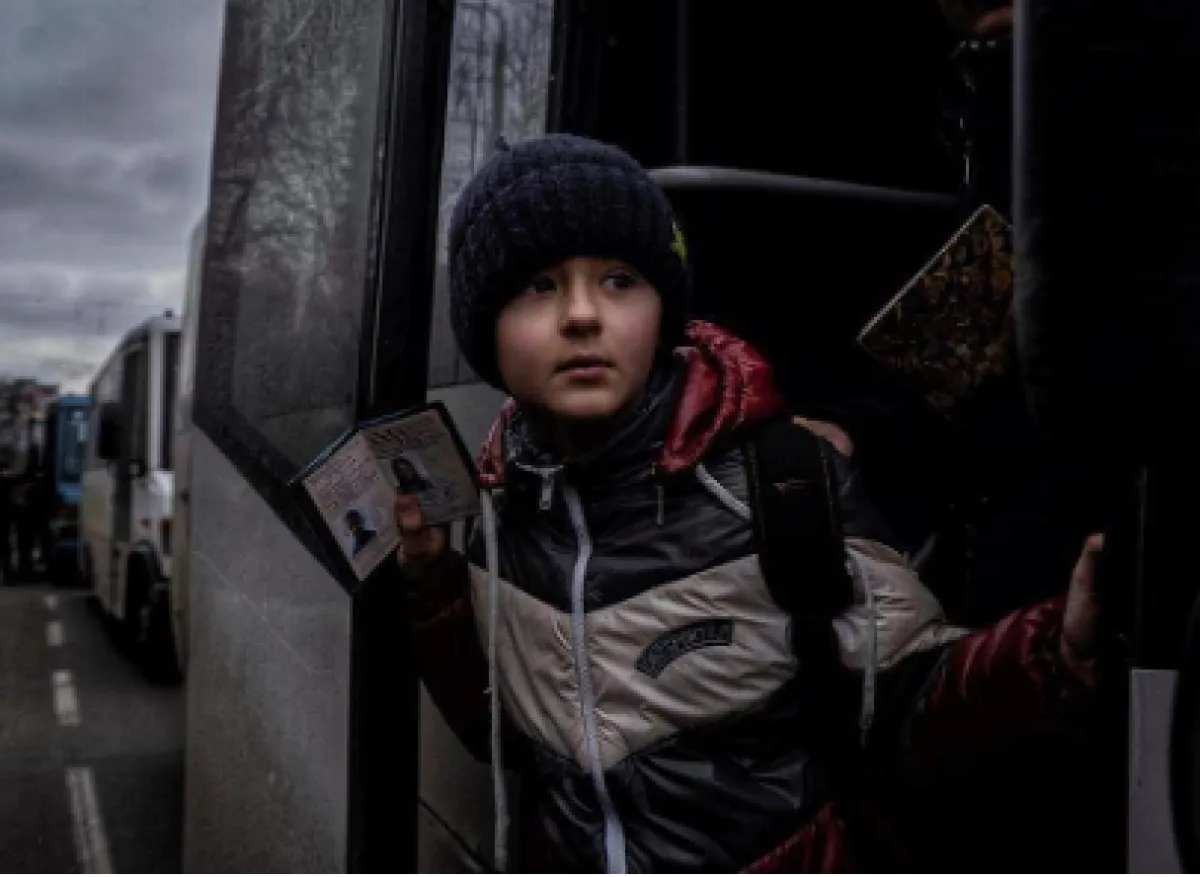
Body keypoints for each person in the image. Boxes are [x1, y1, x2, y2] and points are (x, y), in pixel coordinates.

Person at [394, 134, 1105, 877]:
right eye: (539, 286)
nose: (581, 315)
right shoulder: (502, 517)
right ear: (484, 330)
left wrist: (1053, 649)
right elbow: (502, 734)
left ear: (664, 308)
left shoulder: (779, 484)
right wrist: (436, 593)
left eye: (618, 280)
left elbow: (909, 705)